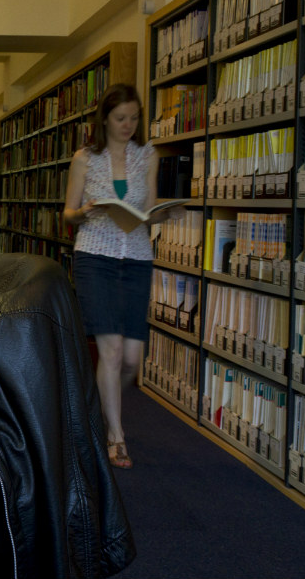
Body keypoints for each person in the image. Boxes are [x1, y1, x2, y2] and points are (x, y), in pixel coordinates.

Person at [62, 83, 180, 470]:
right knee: (111, 351)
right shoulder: (85, 158)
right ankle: (116, 437)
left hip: (137, 257)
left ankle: (102, 404)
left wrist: (163, 214)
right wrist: (88, 211)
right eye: (120, 118)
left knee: (132, 358)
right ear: (105, 120)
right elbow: (69, 213)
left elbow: (148, 207)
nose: (128, 124)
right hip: (95, 255)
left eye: (134, 118)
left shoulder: (148, 155)